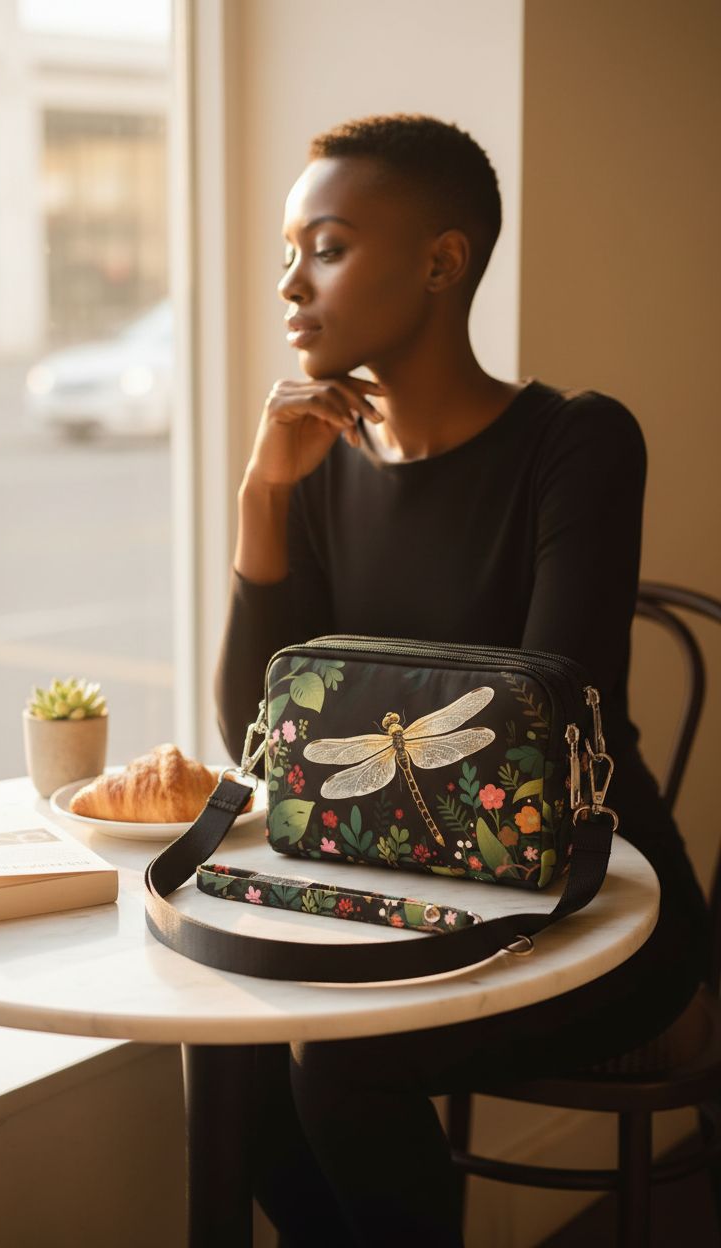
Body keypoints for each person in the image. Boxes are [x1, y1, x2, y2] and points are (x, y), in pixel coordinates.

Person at [213, 114, 708, 1246]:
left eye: (325, 248)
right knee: (234, 1062)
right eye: (288, 252)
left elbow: (534, 725)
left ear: (442, 262)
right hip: (411, 904)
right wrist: (260, 500)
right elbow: (257, 738)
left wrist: (339, 712)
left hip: (596, 907)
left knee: (339, 1071)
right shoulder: (321, 471)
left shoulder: (577, 445)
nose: (290, 285)